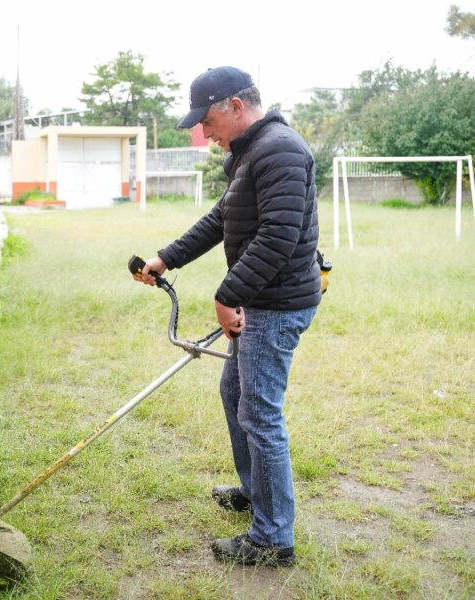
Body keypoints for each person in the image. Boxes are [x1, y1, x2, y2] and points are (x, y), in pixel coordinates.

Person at [134, 66, 321, 566]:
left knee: (259, 412)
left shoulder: (279, 150)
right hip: (260, 298)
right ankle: (256, 492)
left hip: (276, 304)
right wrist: (166, 257)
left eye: (207, 121)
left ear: (236, 106)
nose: (205, 133)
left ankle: (273, 539)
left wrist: (227, 294)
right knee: (235, 393)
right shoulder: (251, 153)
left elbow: (279, 236)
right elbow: (223, 217)